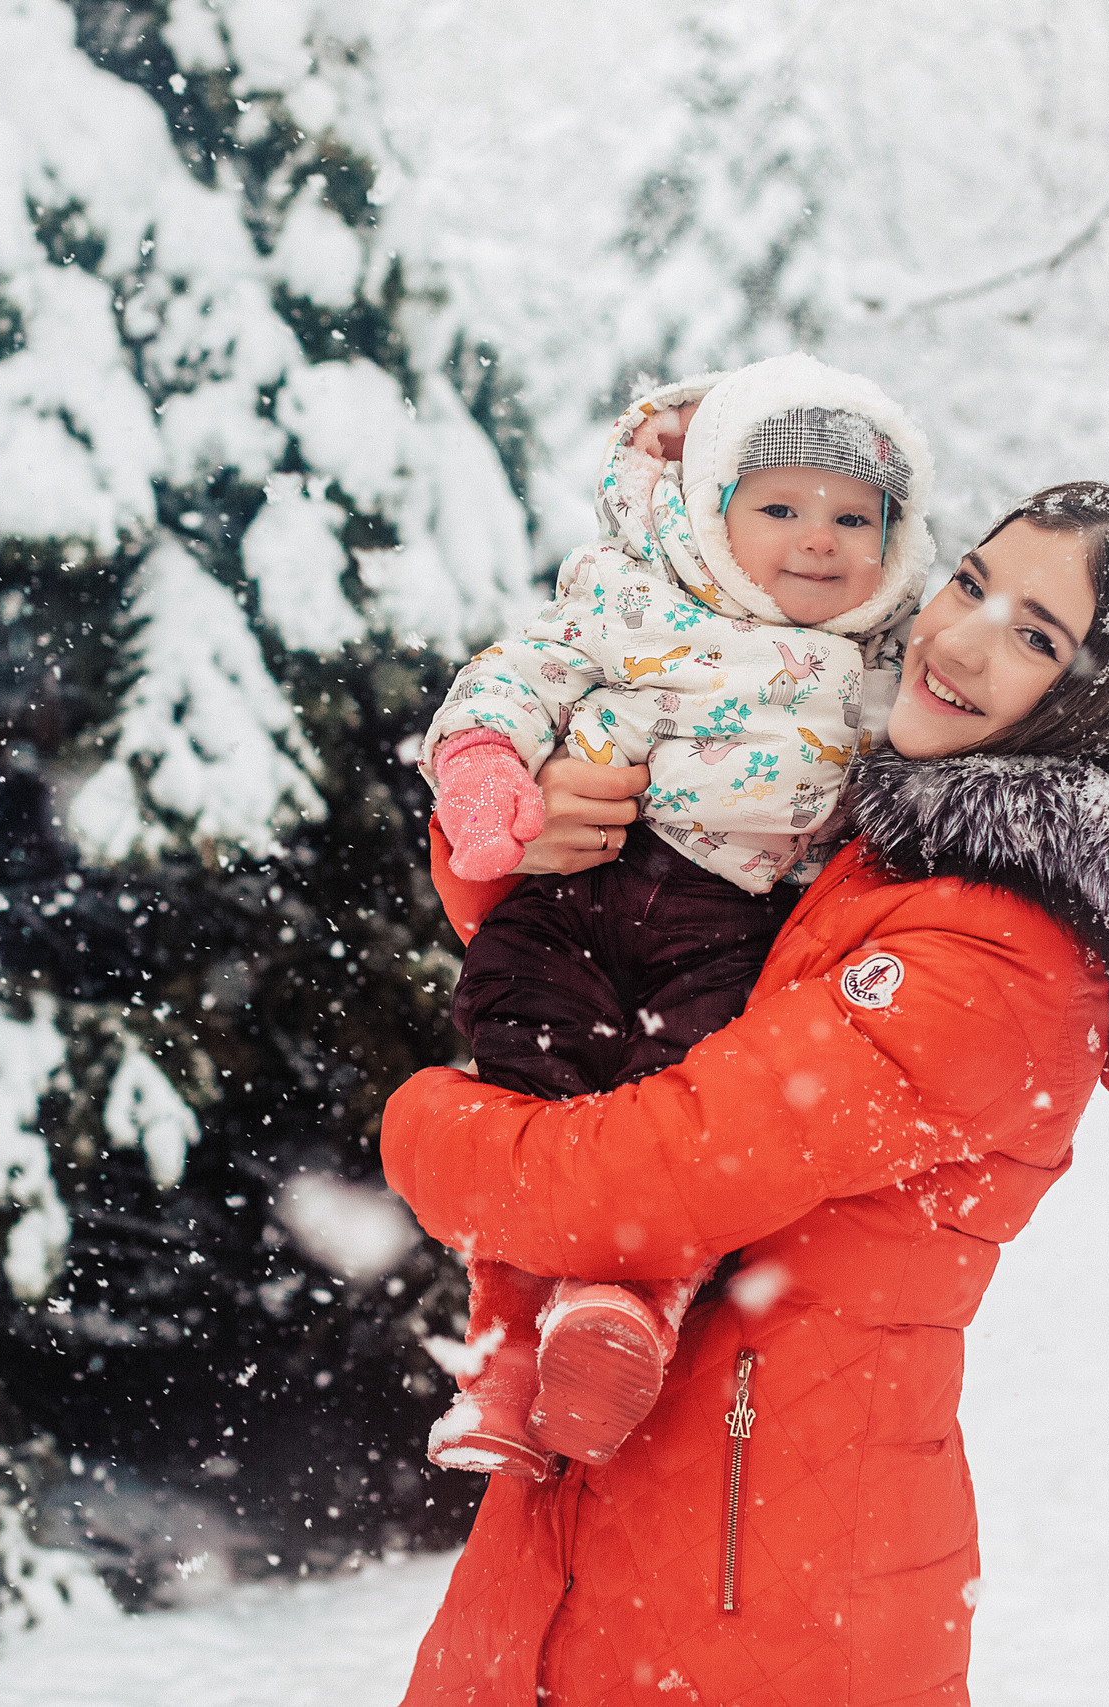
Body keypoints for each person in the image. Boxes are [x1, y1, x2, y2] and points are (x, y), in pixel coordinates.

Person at [384, 483, 1109, 1706]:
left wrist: (424, 1127)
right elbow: (645, 962)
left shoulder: (999, 957)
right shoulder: (873, 823)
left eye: (1035, 636)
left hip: (760, 1590)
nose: (959, 639)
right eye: (971, 582)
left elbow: (622, 1184)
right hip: (607, 1535)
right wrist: (549, 841)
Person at [415, 353, 937, 1481]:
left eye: (854, 518)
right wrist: (484, 767)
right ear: (710, 513)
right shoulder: (631, 594)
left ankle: (628, 1308)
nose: (818, 540)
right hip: (580, 885)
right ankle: (503, 1353)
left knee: (684, 1113)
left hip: (732, 922)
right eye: (781, 509)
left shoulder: (889, 660)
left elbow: (1000, 734)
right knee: (528, 1078)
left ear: (895, 541)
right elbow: (519, 672)